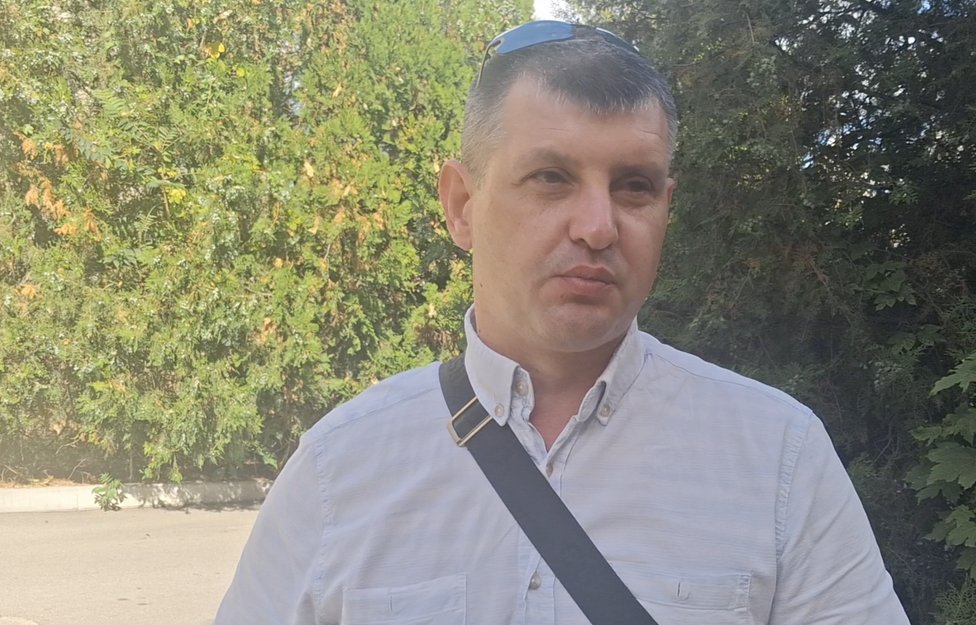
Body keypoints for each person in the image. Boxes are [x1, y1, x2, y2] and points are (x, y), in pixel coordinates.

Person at [215, 20, 910, 625]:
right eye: (551, 178)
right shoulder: (339, 470)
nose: (598, 226)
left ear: (666, 206)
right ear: (461, 205)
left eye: (633, 186)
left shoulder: (778, 457)